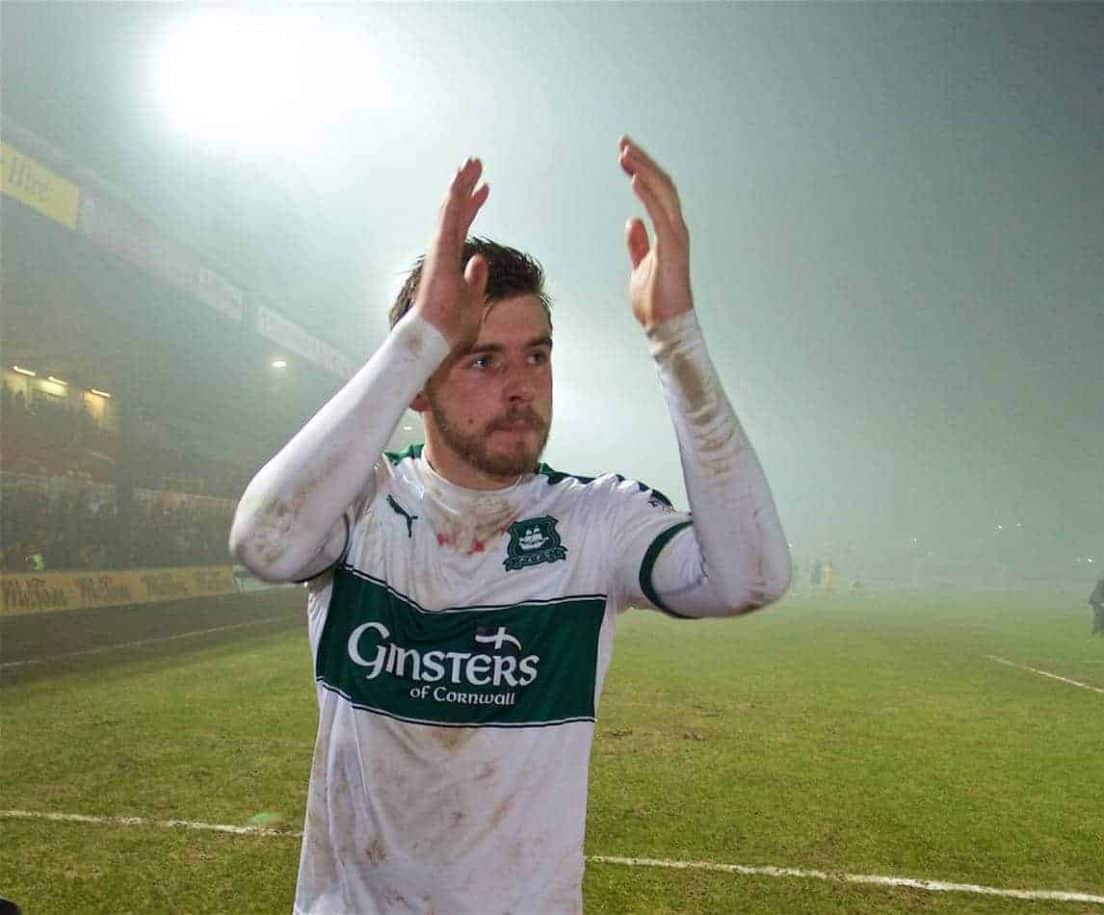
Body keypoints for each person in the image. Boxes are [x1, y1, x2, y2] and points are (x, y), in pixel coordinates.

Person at [230, 138, 791, 915]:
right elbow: (262, 542)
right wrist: (418, 338)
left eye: (536, 356)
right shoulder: (360, 503)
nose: (521, 386)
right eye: (482, 361)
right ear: (419, 386)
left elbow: (751, 575)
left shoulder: (594, 519)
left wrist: (677, 339)